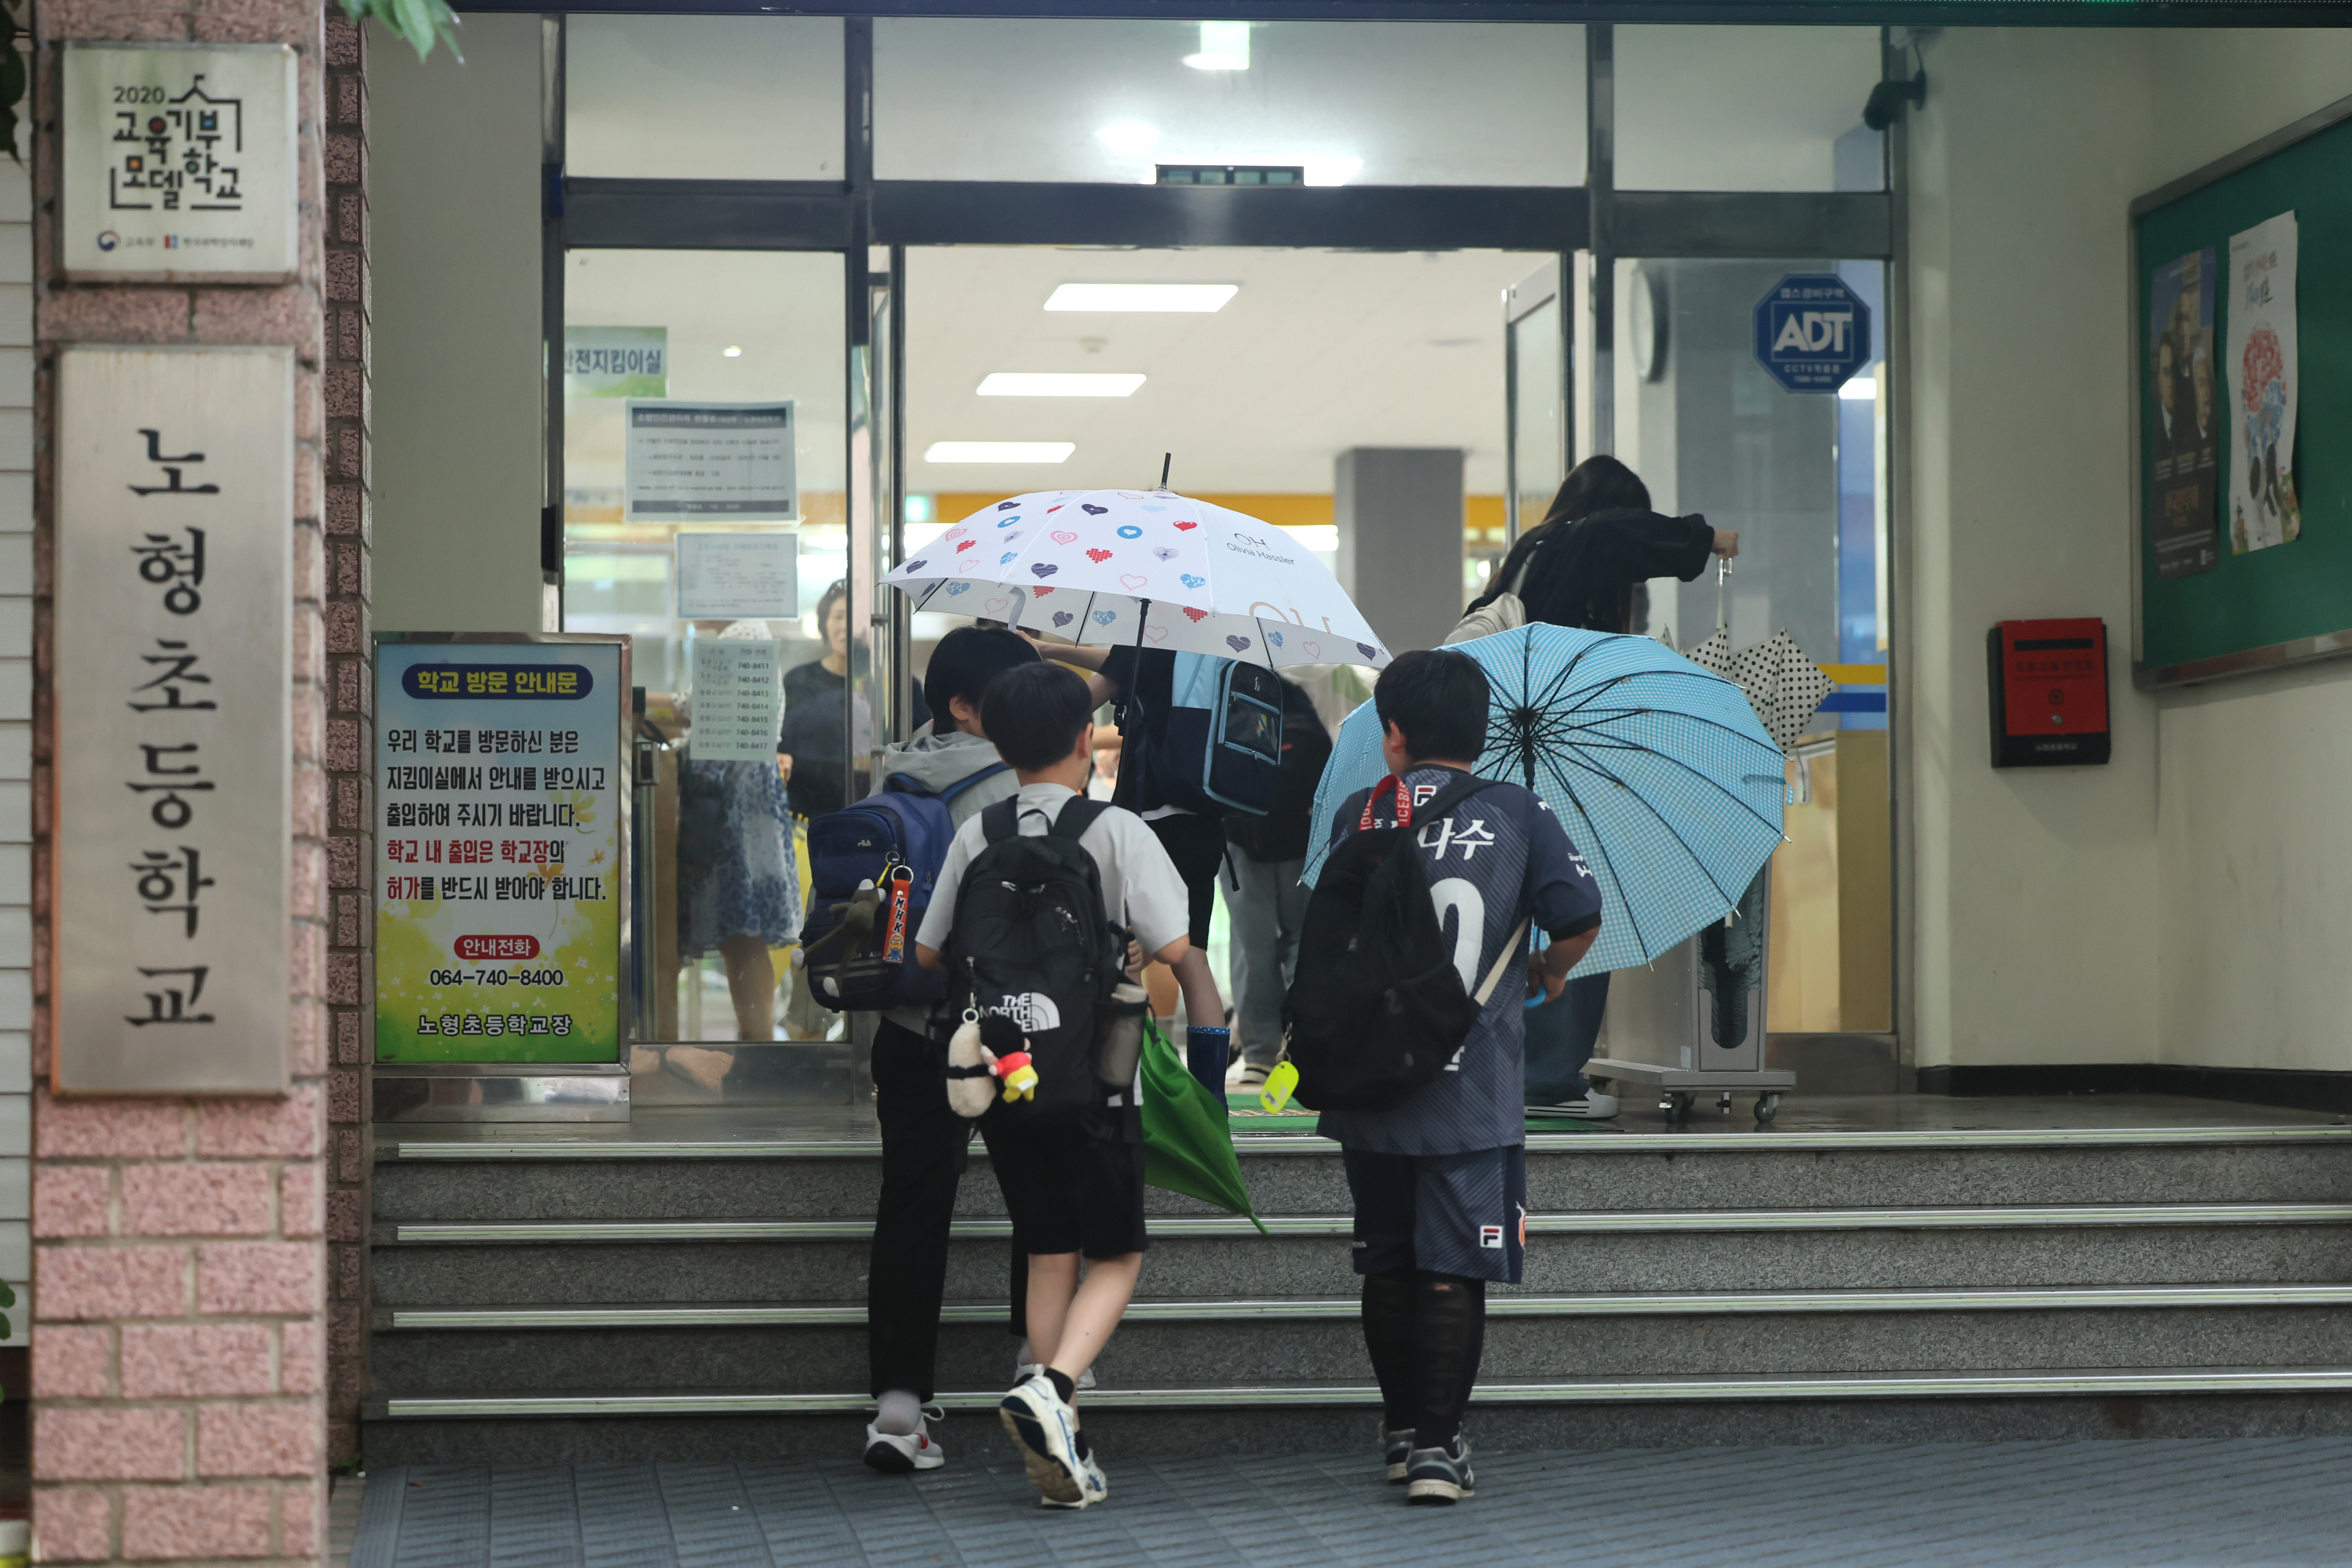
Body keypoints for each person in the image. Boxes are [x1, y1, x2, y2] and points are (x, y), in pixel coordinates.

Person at [1318, 649, 1601, 1506]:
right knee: (1454, 1267)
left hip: (1370, 1074)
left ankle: (1402, 1432)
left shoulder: (1357, 814)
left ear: (1393, 735)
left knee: (1389, 1259)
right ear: (1480, 732)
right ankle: (1441, 1451)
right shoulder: (1519, 811)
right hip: (1471, 1084)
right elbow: (1581, 917)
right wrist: (1549, 967)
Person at [915, 661, 1197, 1510]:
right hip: (1103, 1087)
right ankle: (1054, 1383)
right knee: (1117, 1252)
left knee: (1047, 1248)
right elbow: (1184, 961)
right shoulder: (1119, 833)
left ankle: (1063, 1437)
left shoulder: (978, 831)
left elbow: (928, 955)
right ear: (1088, 740)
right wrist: (1210, 1061)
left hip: (1006, 1081)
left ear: (998, 744)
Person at [1467, 454, 1734, 1117]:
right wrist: (1708, 541)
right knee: (1580, 896)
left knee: (1523, 905)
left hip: (1516, 743)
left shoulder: (1530, 549)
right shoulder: (1589, 535)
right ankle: (1550, 1079)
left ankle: (1510, 1068)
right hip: (1569, 745)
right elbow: (1619, 532)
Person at [860, 626, 1040, 1475]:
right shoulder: (1013, 786)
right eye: (1014, 686)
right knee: (1041, 1199)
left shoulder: (896, 771)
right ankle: (1039, 1371)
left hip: (908, 1031)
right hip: (1006, 1034)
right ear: (968, 705)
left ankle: (898, 1407)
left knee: (912, 1206)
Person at [1048, 640, 1230, 1070]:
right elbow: (1118, 662)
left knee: (1123, 948)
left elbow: (1078, 702)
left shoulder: (1151, 635)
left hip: (1148, 817)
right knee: (1192, 958)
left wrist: (1040, 654)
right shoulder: (1211, 642)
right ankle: (1211, 1097)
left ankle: (1131, 1079)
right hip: (1206, 820)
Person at [777, 579, 932, 1041]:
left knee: (881, 943)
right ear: (824, 622)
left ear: (876, 628)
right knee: (817, 934)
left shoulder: (899, 684)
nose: (845, 625)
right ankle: (811, 1043)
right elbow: (779, 745)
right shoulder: (799, 681)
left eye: (855, 617)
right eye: (838, 615)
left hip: (885, 840)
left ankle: (866, 1049)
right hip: (813, 835)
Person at [676, 618, 801, 1041]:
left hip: (734, 798)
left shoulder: (742, 634)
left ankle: (757, 1044)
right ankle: (757, 1041)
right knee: (742, 931)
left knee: (741, 930)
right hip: (744, 794)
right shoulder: (750, 632)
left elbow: (695, 706)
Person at [1220, 677, 1332, 1091]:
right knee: (1305, 942)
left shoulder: (1224, 691)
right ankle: (1304, 1042)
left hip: (1241, 842)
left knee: (1252, 948)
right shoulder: (1305, 694)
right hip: (1302, 840)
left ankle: (1260, 1054)